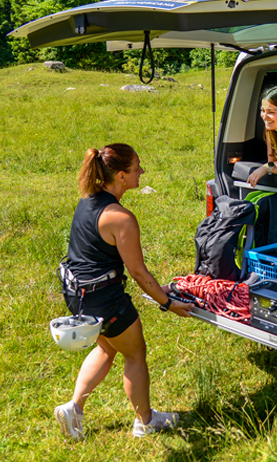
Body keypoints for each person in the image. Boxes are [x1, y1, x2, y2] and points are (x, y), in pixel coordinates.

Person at [54, 144, 193, 441]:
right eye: (137, 167)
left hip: (78, 293)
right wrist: (169, 303)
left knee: (106, 347)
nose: (142, 172)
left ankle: (74, 408)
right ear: (121, 175)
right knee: (135, 353)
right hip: (106, 299)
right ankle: (145, 422)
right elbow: (139, 272)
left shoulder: (88, 200)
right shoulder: (120, 217)